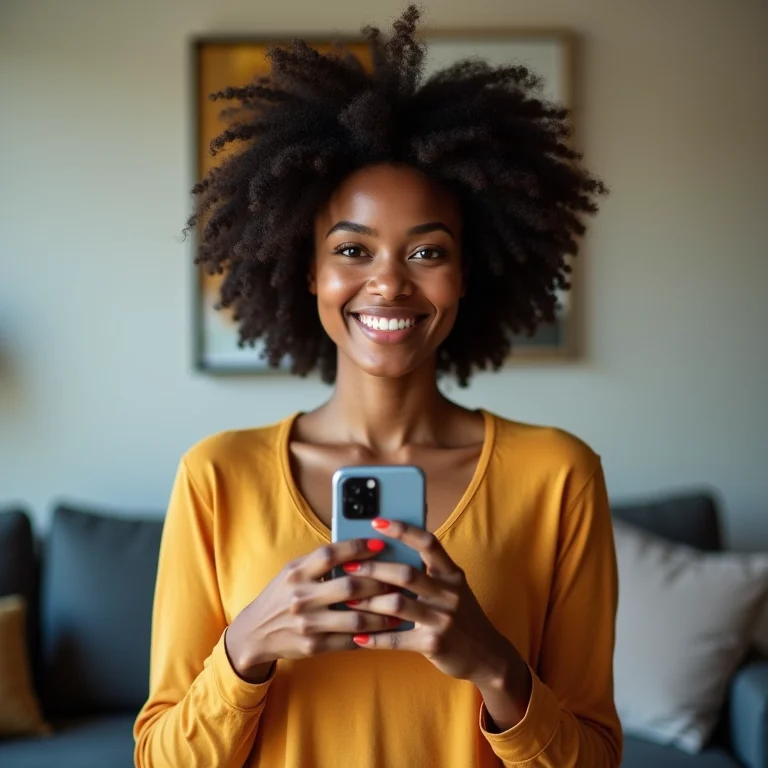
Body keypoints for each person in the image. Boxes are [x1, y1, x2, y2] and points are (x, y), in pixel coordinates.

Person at [133, 7, 621, 767]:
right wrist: (247, 648)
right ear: (308, 271)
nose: (388, 282)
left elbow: (595, 757)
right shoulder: (216, 476)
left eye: (427, 250)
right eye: (352, 249)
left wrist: (494, 663)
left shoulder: (559, 475)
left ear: (467, 274)